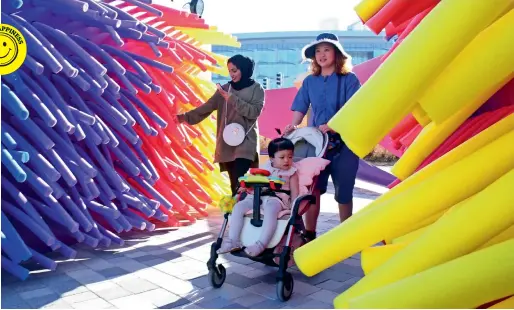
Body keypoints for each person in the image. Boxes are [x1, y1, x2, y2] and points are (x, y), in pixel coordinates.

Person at [283, 32, 361, 242]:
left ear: (337, 53)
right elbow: (300, 107)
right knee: (313, 188)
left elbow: (355, 108)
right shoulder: (310, 81)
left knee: (344, 190)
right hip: (316, 145)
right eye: (318, 51)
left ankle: (346, 234)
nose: (321, 54)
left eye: (326, 49)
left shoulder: (350, 79)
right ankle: (310, 233)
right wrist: (293, 125)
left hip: (344, 144)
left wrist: (335, 126)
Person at [176, 54, 265, 196]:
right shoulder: (224, 90)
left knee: (240, 181)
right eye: (229, 71)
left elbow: (254, 112)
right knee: (234, 185)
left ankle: (242, 212)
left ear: (244, 69)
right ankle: (236, 213)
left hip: (246, 143)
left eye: (235, 70)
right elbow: (206, 108)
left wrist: (231, 99)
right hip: (227, 143)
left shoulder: (257, 89)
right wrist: (183, 118)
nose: (231, 74)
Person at [217, 137, 299, 257]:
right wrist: (245, 187)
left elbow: (295, 192)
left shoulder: (292, 172)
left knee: (271, 209)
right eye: (282, 157)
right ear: (272, 158)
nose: (287, 160)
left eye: (290, 157)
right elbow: (253, 180)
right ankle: (233, 240)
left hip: (277, 198)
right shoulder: (265, 168)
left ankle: (261, 244)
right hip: (257, 195)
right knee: (239, 207)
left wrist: (294, 206)